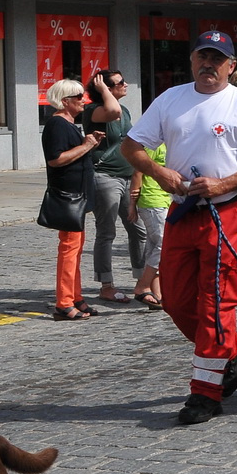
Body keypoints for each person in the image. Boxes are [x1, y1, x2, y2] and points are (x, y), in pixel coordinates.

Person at [122, 31, 237, 425]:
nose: (208, 65)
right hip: (181, 212)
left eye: (217, 58)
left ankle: (204, 394)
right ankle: (232, 346)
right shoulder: (170, 98)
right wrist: (159, 173)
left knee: (215, 305)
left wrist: (223, 184)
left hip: (225, 213)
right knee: (174, 299)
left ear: (230, 65)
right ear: (192, 61)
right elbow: (131, 147)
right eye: (201, 57)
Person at [82, 70, 145, 304]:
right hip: (105, 176)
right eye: (120, 82)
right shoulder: (93, 111)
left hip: (128, 176)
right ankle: (106, 285)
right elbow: (113, 111)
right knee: (106, 232)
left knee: (138, 229)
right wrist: (103, 90)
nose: (126, 84)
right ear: (104, 88)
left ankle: (142, 281)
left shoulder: (124, 110)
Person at [42, 78, 100, 322]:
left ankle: (75, 296)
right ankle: (64, 302)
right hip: (68, 196)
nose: (83, 101)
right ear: (65, 101)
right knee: (69, 249)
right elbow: (55, 159)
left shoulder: (69, 124)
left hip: (78, 195)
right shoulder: (57, 124)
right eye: (78, 97)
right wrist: (87, 145)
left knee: (75, 249)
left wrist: (90, 143)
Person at [127, 142, 169, 309]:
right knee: (163, 244)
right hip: (152, 200)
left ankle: (156, 293)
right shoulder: (154, 143)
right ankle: (142, 286)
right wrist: (132, 204)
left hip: (163, 199)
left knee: (153, 246)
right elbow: (137, 172)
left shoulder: (167, 143)